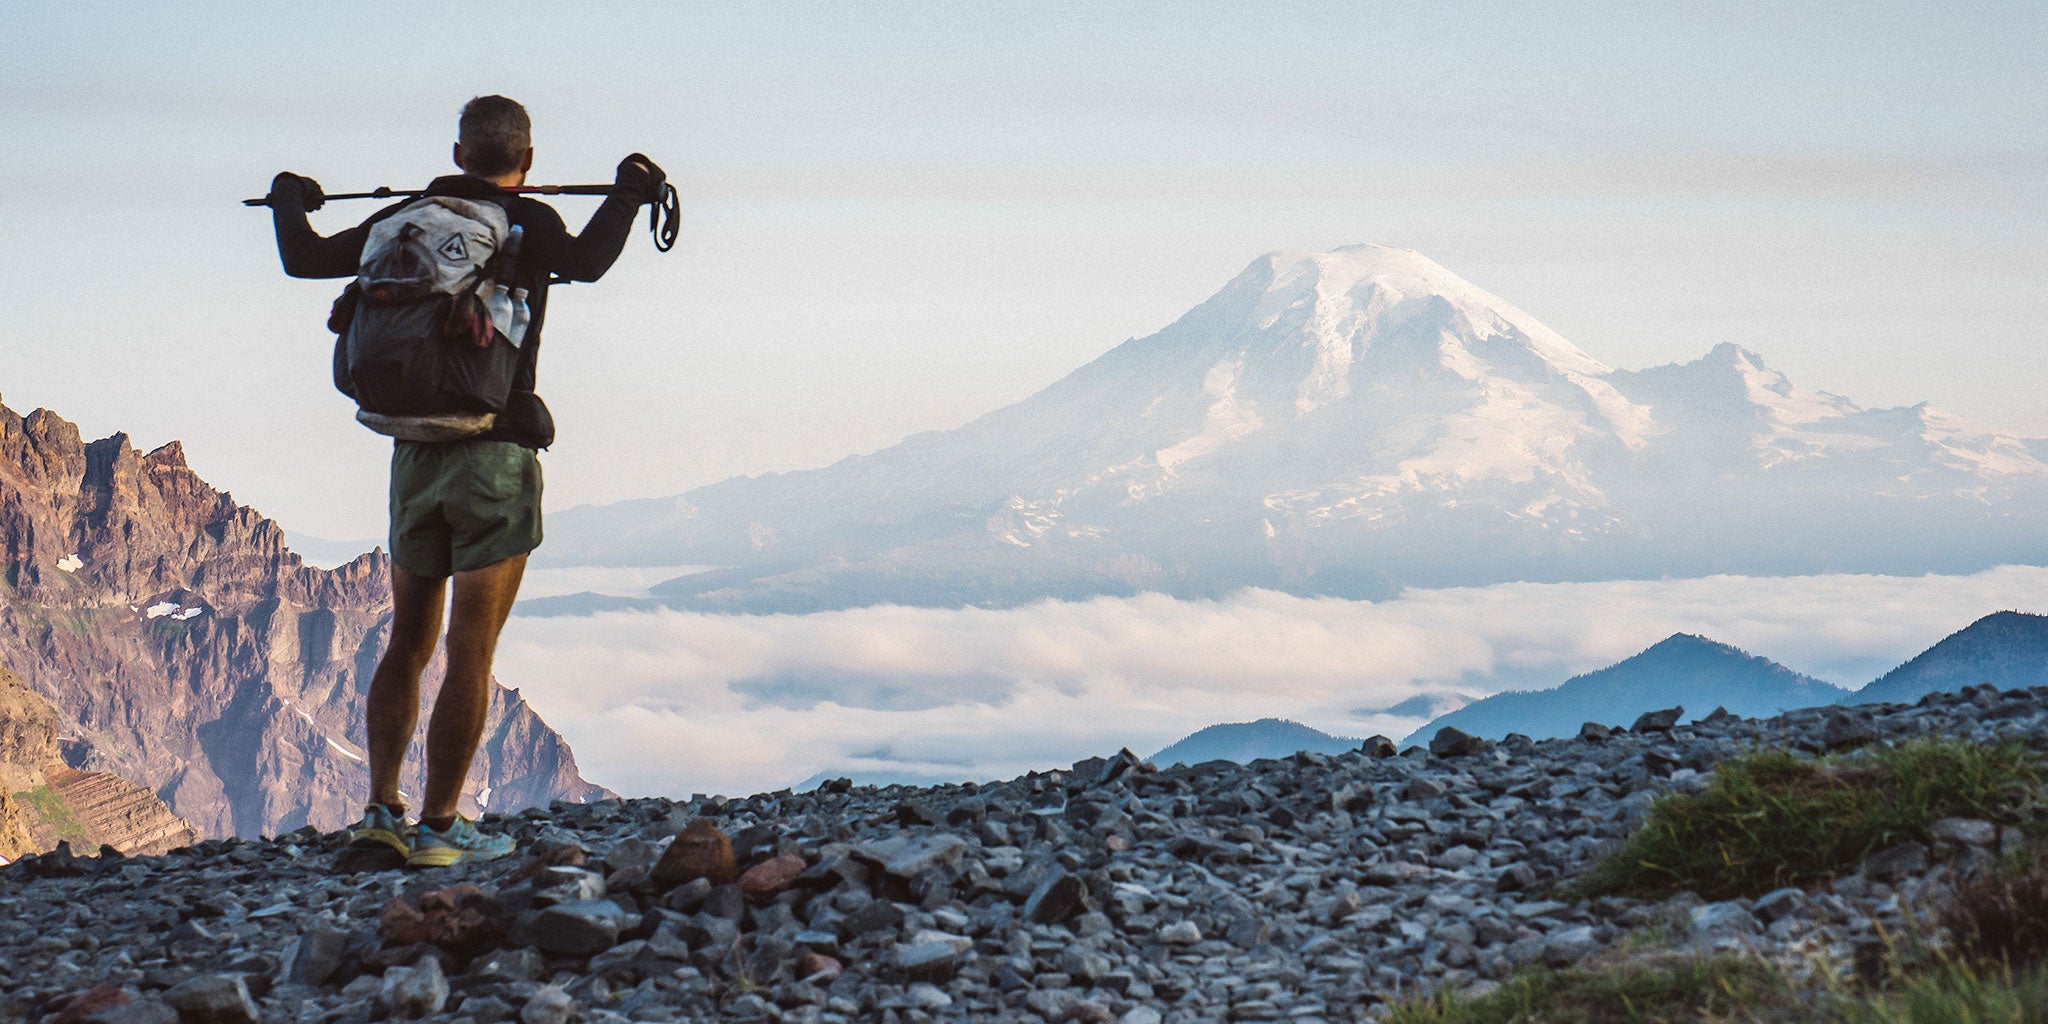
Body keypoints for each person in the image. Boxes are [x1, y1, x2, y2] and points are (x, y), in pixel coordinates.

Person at [266, 95, 665, 867]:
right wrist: (631, 190)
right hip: (493, 453)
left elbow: (304, 258)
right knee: (470, 651)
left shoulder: (405, 220)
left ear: (457, 151)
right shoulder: (526, 223)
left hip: (411, 453)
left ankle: (380, 811)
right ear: (530, 160)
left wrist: (288, 199)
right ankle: (441, 831)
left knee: (407, 643)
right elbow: (587, 262)